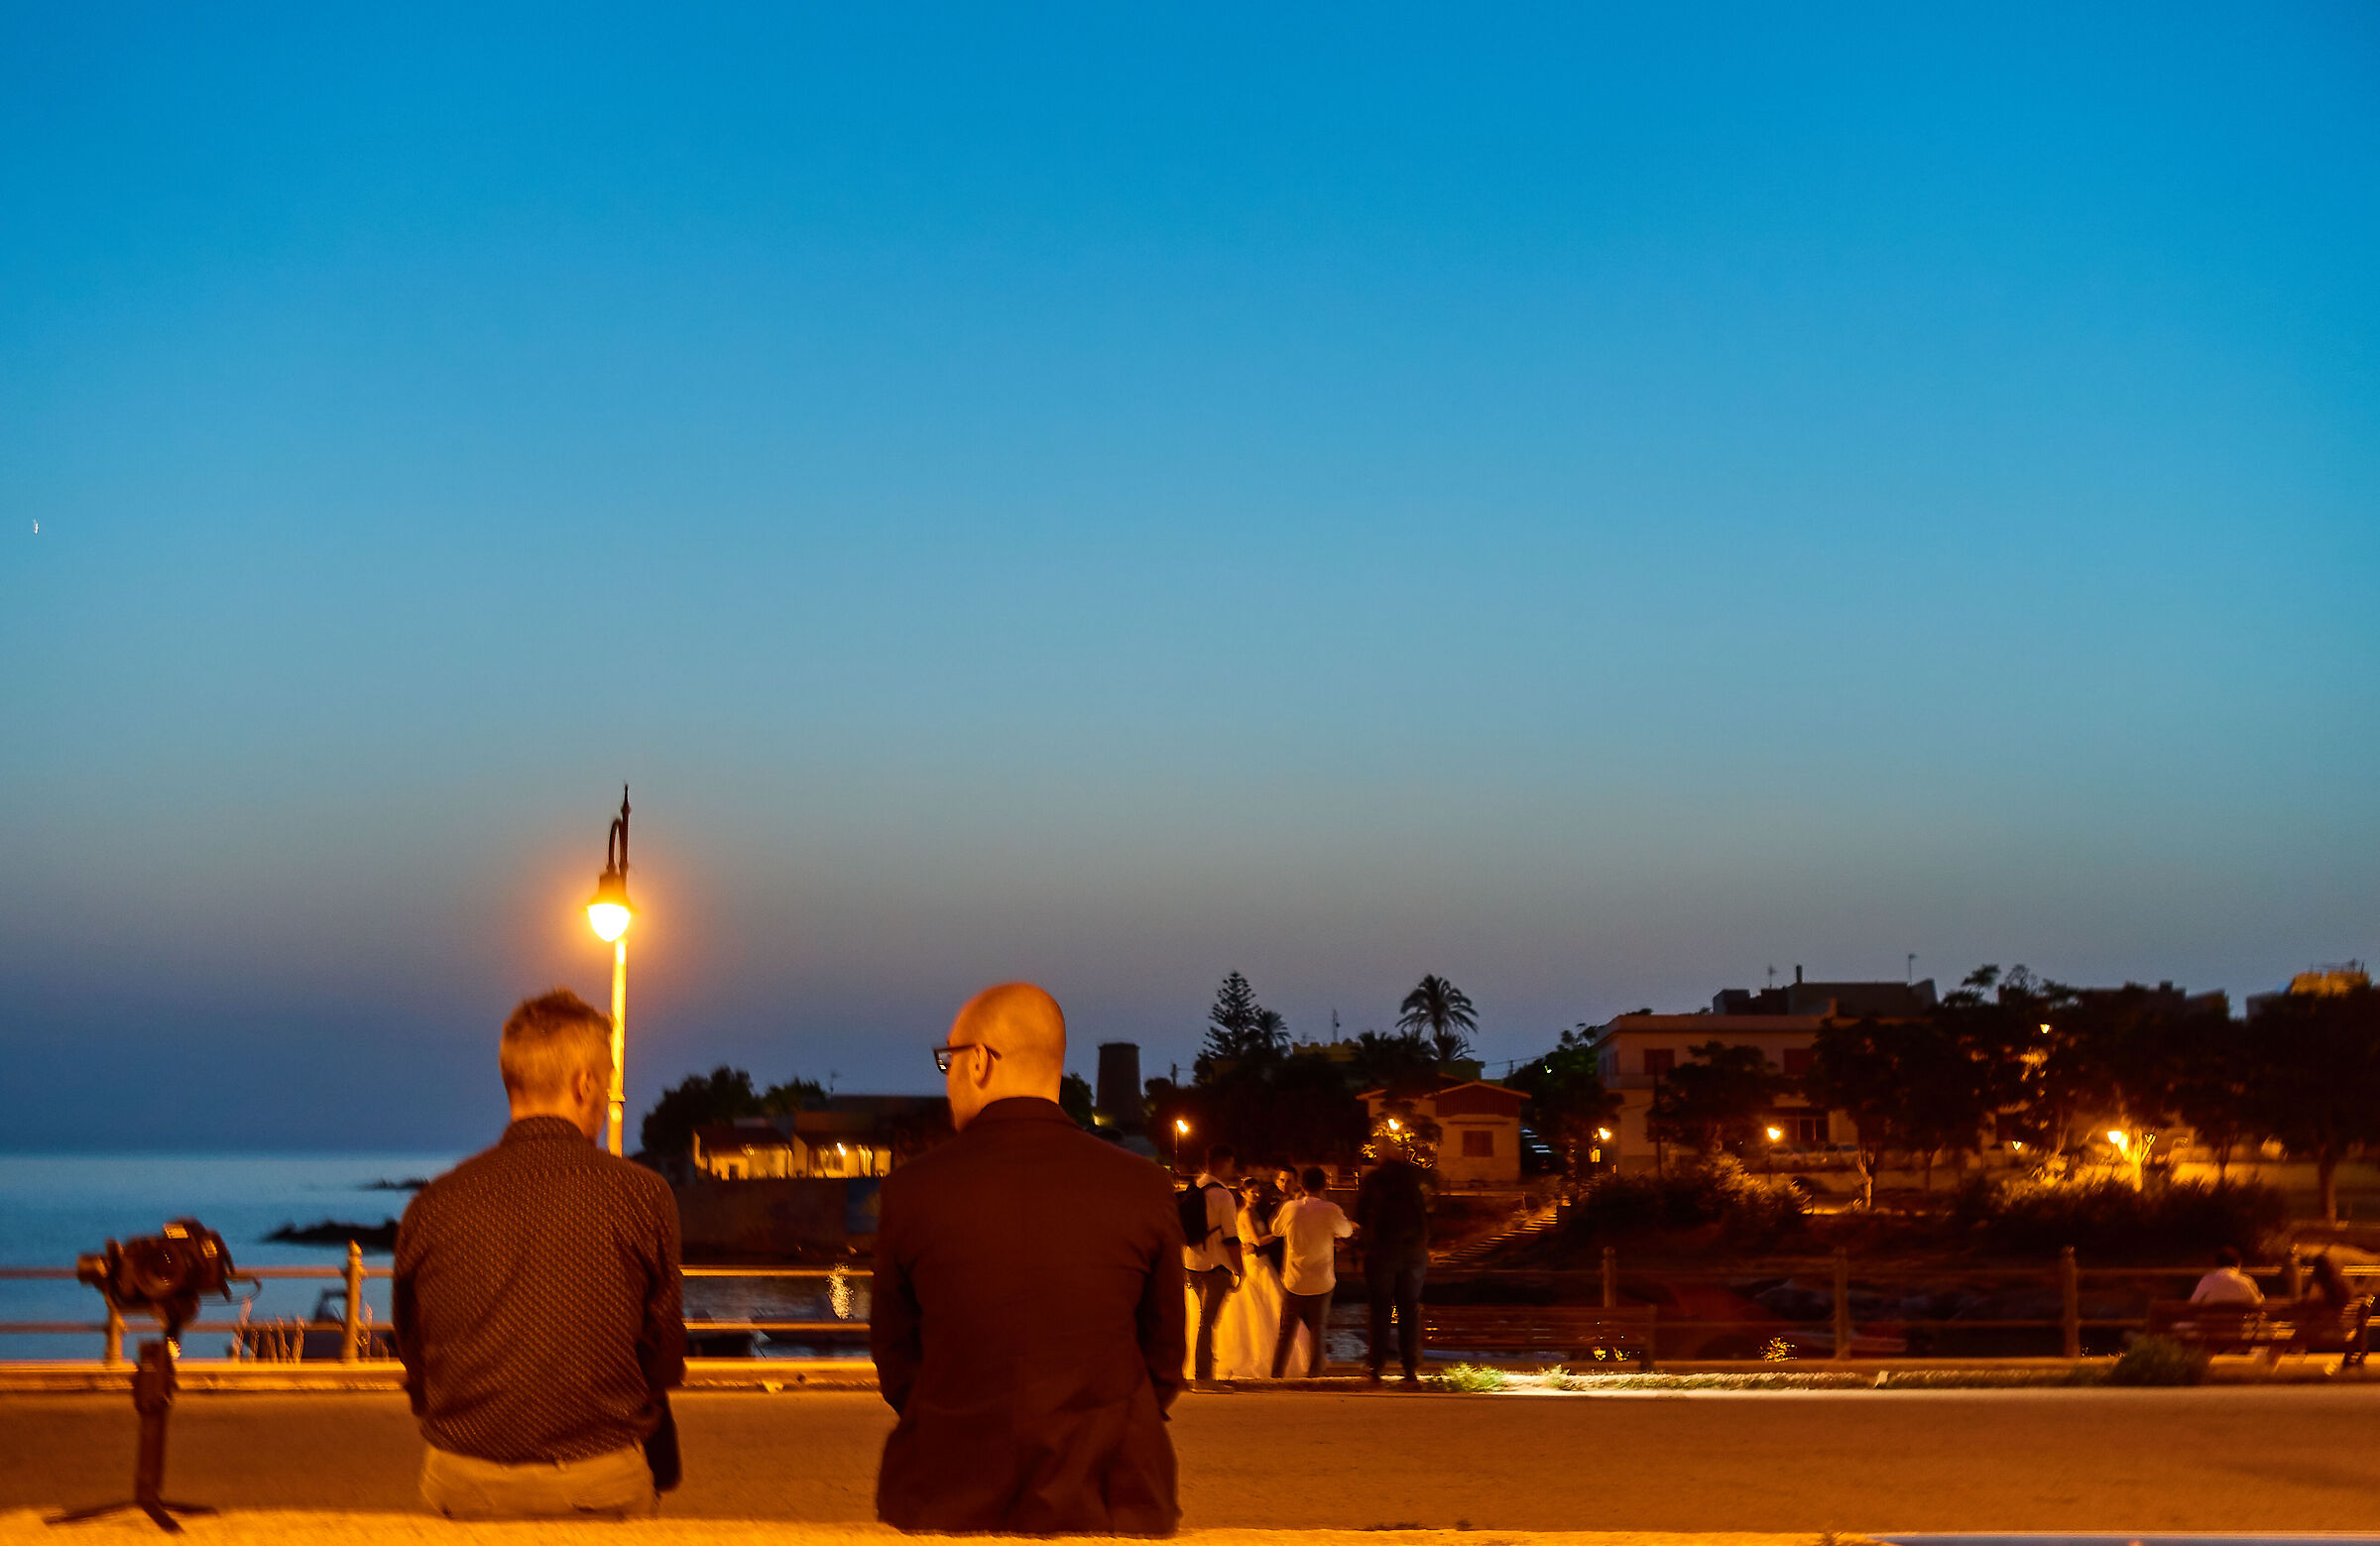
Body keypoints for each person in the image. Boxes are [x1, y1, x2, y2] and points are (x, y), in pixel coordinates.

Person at [871, 983, 1183, 1536]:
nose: (946, 1078)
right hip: (1110, 1495)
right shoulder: (1143, 1187)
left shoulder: (911, 1191)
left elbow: (896, 1357)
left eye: (950, 1059)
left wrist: (947, 1414)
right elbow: (1163, 1358)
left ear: (982, 1062)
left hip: (946, 1492)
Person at [394, 990, 684, 1520]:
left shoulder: (432, 1204)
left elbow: (414, 1351)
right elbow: (663, 1359)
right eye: (608, 1078)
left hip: (462, 1482)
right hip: (596, 1482)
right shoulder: (641, 1196)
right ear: (585, 1083)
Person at [1354, 1156, 1431, 1386]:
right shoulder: (1413, 1184)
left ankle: (1374, 1366)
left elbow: (1359, 1217)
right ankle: (1409, 1368)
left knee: (1380, 1310)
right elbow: (1427, 1218)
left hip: (1381, 1253)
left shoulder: (1374, 1182)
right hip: (1414, 1254)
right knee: (1409, 1309)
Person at [1271, 1166, 1353, 1377]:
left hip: (1294, 1278)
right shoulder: (1331, 1210)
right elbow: (1346, 1231)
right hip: (1321, 1279)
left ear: (1302, 1185)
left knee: (1286, 1332)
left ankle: (1276, 1374)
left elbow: (1276, 1230)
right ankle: (1314, 1375)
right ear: (1324, 1186)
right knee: (1318, 1329)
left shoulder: (1290, 1208)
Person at [1181, 1143, 1244, 1386]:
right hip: (1215, 1266)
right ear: (1221, 1163)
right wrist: (1240, 1269)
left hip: (1191, 1263)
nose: (1232, 1169)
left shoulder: (1194, 1187)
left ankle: (1196, 1369)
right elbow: (1230, 1237)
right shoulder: (1223, 1195)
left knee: (1201, 1320)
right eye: (1230, 1164)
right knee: (1207, 1322)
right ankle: (1204, 1375)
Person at [2190, 1246, 2263, 1305]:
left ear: (2217, 1264)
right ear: (2238, 1264)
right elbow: (2256, 1304)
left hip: (2210, 1322)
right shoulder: (2246, 1282)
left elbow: (2194, 1302)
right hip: (2237, 1322)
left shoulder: (2207, 1280)